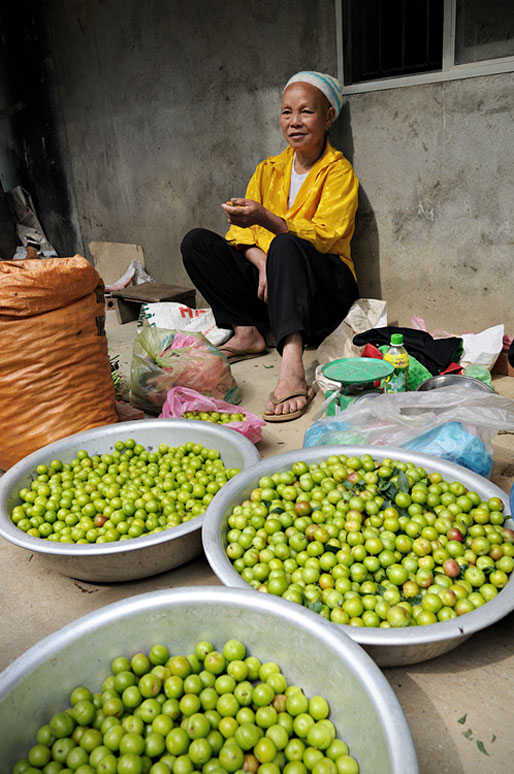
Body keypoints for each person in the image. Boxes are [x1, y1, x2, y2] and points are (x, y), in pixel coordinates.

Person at [181, 70, 359, 421]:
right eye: (286, 112)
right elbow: (238, 235)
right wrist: (264, 264)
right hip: (276, 294)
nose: (294, 122)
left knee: (288, 243)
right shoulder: (269, 169)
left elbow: (324, 235)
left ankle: (291, 364)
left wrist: (266, 221)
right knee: (198, 243)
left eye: (306, 112)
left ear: (328, 118)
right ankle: (247, 331)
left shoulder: (338, 172)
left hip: (323, 296)